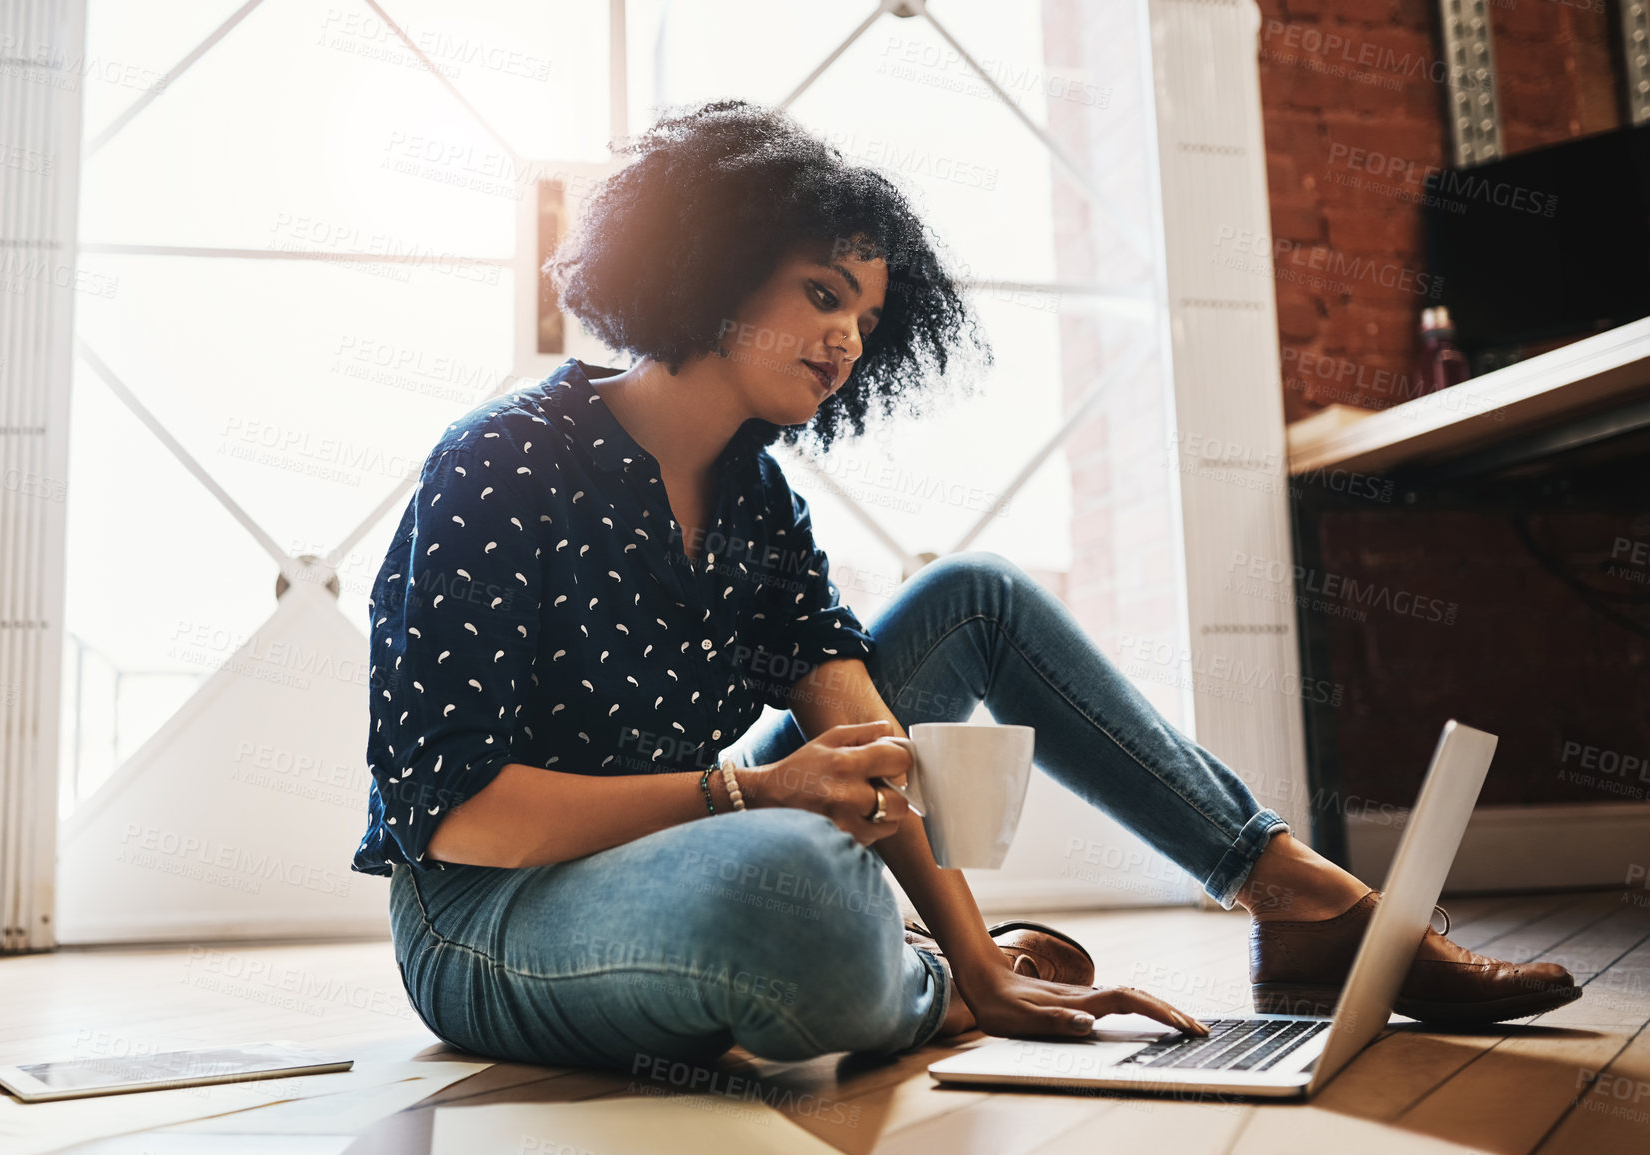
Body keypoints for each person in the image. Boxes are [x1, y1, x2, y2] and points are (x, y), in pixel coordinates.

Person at [351, 99, 1578, 1071]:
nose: (847, 342)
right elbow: (458, 820)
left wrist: (982, 955)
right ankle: (900, 976)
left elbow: (865, 737)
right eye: (822, 296)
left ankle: (1288, 890)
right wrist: (752, 795)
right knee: (789, 893)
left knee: (977, 595)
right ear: (711, 272)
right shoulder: (506, 460)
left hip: (700, 843)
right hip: (489, 920)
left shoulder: (756, 494)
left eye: (867, 319)